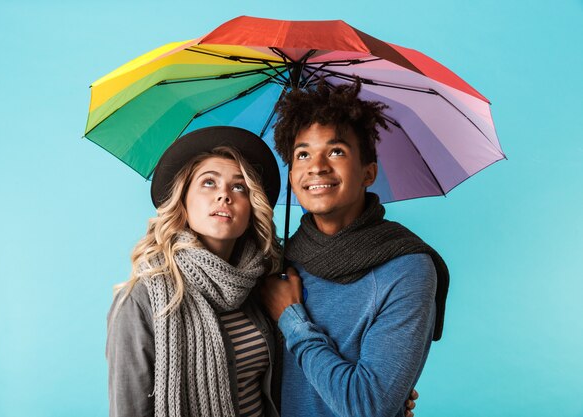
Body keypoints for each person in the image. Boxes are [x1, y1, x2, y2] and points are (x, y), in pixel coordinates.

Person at [260, 82, 449, 417]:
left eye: (336, 151)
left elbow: (368, 406)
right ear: (292, 176)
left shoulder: (406, 267)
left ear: (368, 172)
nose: (316, 166)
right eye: (302, 154)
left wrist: (291, 319)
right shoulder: (275, 262)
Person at [106, 126, 284, 417]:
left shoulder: (260, 284)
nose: (224, 195)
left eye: (239, 187)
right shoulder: (140, 300)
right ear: (183, 200)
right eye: (209, 183)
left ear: (251, 207)